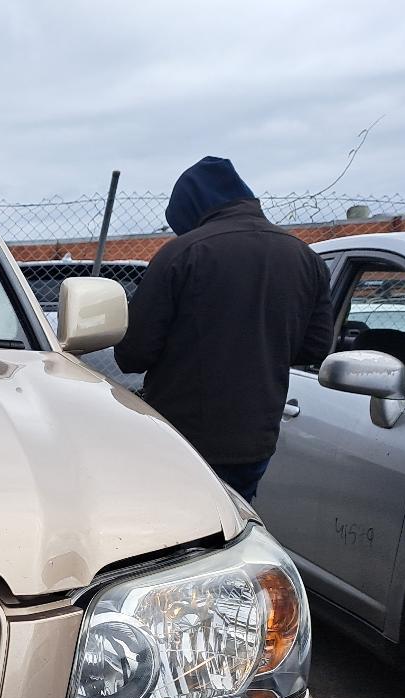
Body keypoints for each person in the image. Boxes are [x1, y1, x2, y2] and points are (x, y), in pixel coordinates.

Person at [114, 157, 334, 504]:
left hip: (182, 435)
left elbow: (133, 353)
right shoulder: (305, 257)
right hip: (257, 437)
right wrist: (262, 345)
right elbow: (317, 346)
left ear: (191, 209)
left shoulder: (181, 254)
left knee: (177, 536)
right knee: (236, 525)